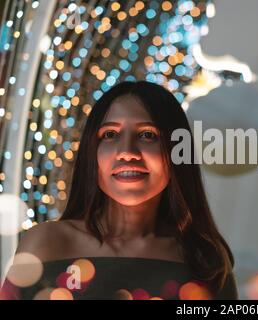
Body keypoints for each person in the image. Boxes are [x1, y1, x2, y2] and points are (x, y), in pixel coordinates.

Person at [1, 81, 238, 300]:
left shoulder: (204, 258)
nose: (127, 151)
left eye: (147, 135)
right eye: (110, 135)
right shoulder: (45, 243)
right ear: (92, 154)